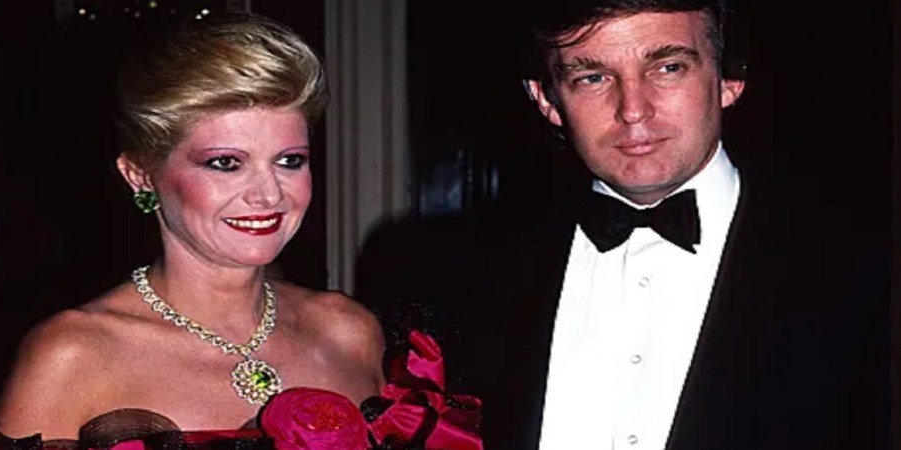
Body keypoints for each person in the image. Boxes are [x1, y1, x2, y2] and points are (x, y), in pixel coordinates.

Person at [356, 0, 886, 449]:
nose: (633, 110)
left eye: (668, 67)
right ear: (547, 100)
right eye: (592, 78)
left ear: (729, 79)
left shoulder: (867, 265)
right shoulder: (451, 275)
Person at [0, 13, 481, 450]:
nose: (269, 194)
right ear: (140, 174)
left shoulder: (349, 332)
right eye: (225, 163)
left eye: (289, 161)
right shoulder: (71, 355)